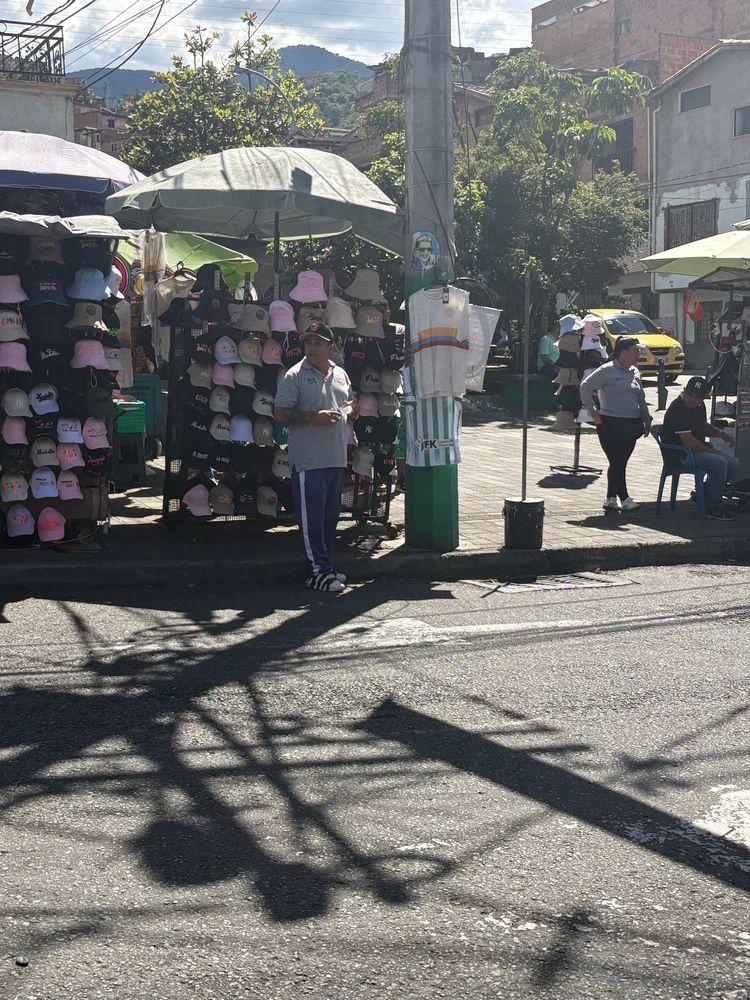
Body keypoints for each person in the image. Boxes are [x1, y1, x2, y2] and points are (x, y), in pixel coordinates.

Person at [274, 322, 357, 592]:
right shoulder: (294, 375)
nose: (311, 347)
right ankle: (317, 570)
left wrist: (351, 411)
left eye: (318, 342)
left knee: (329, 519)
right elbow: (280, 413)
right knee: (312, 521)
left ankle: (325, 567)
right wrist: (313, 417)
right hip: (309, 459)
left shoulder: (341, 373)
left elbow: (350, 403)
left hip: (335, 456)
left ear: (330, 347)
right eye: (308, 342)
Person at [579, 335, 651, 512]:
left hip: (632, 424)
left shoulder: (635, 371)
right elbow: (585, 386)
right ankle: (624, 498)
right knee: (617, 461)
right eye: (635, 351)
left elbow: (640, 397)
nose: (638, 354)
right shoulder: (607, 370)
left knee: (619, 462)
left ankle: (611, 498)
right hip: (610, 423)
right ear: (624, 352)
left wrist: (646, 417)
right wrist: (592, 412)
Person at [660, 375, 739, 521]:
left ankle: (703, 495)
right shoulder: (677, 408)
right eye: (690, 395)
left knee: (733, 463)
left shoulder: (699, 406)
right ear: (685, 391)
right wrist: (712, 451)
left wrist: (720, 434)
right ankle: (712, 506)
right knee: (720, 462)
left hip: (696, 450)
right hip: (680, 455)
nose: (693, 400)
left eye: (698, 398)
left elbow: (703, 427)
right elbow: (689, 441)